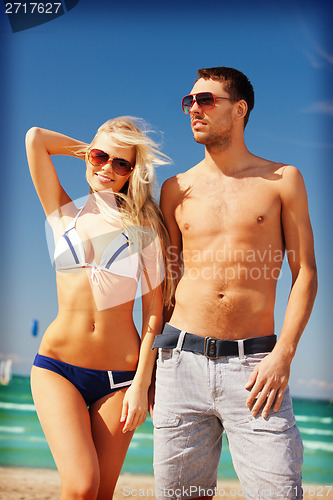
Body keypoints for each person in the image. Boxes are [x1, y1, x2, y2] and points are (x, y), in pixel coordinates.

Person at [152, 67, 317, 500]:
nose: (194, 109)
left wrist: (283, 355)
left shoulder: (283, 180)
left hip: (256, 370)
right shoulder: (175, 188)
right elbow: (166, 281)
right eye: (189, 101)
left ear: (239, 109)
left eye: (206, 100)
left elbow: (306, 275)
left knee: (278, 493)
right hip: (179, 364)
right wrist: (149, 367)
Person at [26, 117, 171, 499]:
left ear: (132, 172)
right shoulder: (62, 213)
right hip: (57, 368)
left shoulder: (146, 227)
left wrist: (142, 383)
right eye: (101, 157)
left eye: (121, 163)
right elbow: (36, 139)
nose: (109, 168)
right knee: (81, 486)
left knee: (101, 494)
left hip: (119, 380)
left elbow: (154, 312)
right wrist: (92, 151)